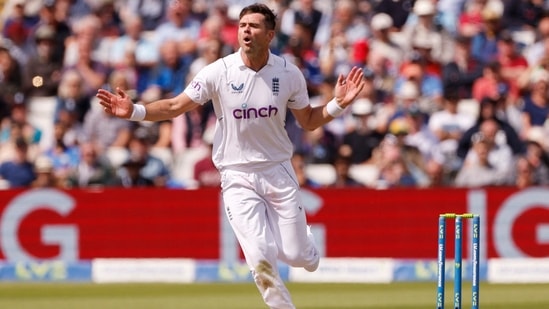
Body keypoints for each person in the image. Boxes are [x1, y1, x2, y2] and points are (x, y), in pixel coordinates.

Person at [96, 4, 366, 309]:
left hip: (277, 169)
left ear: (270, 34)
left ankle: (307, 248)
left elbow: (308, 121)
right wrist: (134, 111)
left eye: (253, 25)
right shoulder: (219, 71)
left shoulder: (289, 73)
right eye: (242, 25)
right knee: (260, 255)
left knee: (297, 256)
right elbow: (175, 106)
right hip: (236, 175)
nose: (246, 30)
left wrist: (338, 104)